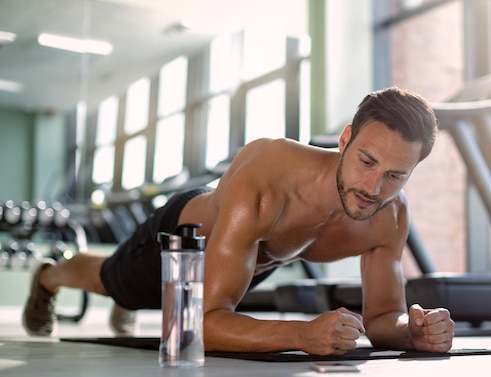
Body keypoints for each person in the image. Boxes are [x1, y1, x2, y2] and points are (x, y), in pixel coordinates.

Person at [23, 86, 455, 355]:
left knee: (218, 283)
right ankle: (51, 275)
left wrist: (412, 331)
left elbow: (383, 318)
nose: (374, 187)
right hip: (183, 240)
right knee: (111, 281)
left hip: (250, 263)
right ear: (345, 140)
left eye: (396, 175)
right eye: (366, 161)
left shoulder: (389, 217)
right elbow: (204, 325)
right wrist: (302, 336)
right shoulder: (268, 177)